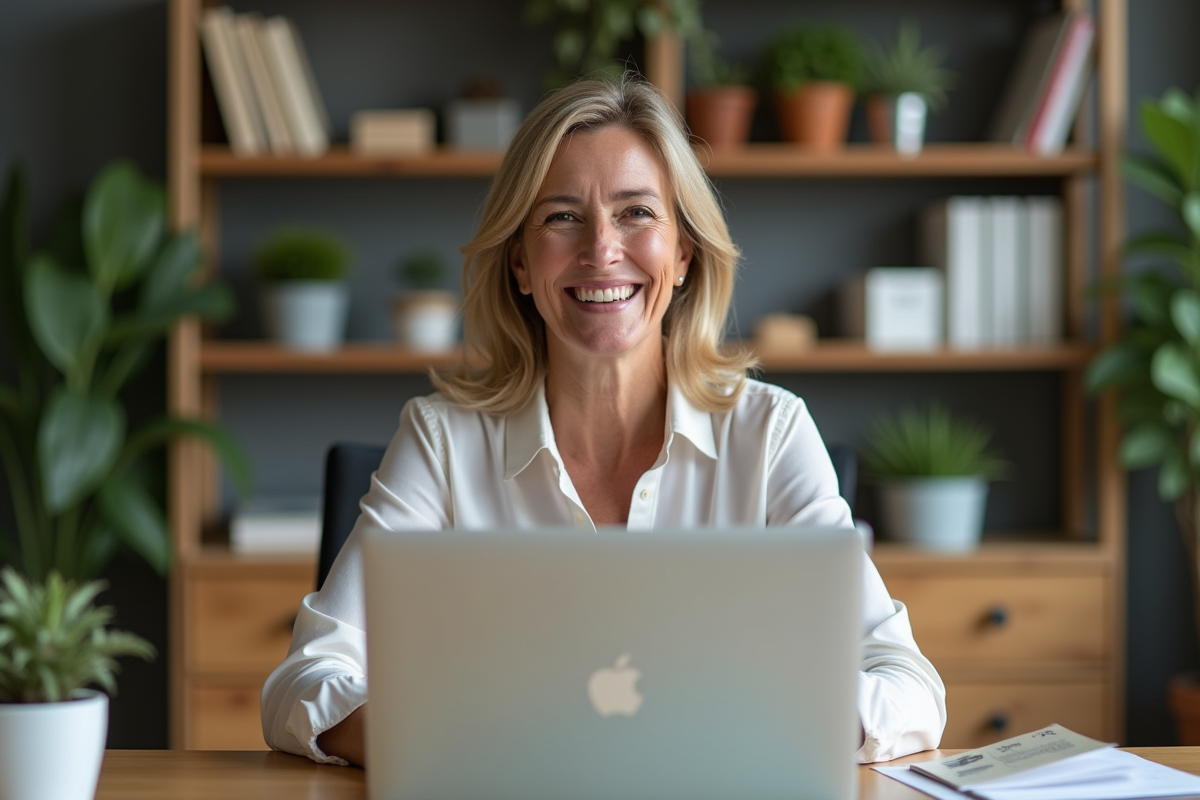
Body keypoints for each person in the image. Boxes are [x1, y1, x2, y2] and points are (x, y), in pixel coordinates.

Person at [260, 73, 946, 768]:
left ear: (683, 254)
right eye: (562, 217)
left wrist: (748, 726)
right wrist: (476, 744)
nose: (601, 250)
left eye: (636, 213)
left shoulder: (770, 434)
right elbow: (303, 682)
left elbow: (909, 688)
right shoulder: (442, 442)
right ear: (520, 263)